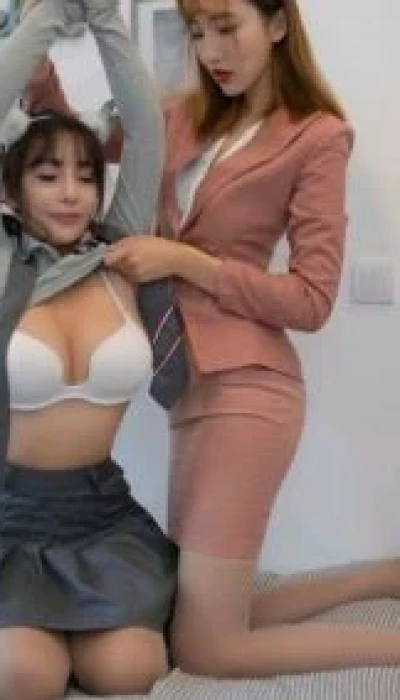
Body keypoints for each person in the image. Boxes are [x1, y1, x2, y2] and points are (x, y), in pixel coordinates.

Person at [30, 0, 400, 680]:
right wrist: (41, 70)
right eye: (198, 33)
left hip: (251, 391)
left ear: (279, 23)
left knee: (205, 648)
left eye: (227, 28)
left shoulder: (317, 137)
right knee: (193, 616)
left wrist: (187, 262)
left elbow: (311, 300)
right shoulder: (181, 117)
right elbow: (75, 150)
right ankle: (384, 577)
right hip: (188, 389)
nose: (210, 52)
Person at [0, 1, 177, 698]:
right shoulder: (6, 262)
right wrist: (50, 10)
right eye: (47, 176)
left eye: (85, 176)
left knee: (130, 670)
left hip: (99, 515)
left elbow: (145, 127)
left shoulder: (117, 251)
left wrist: (102, 12)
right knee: (25, 676)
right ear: (14, 190)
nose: (71, 194)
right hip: (10, 518)